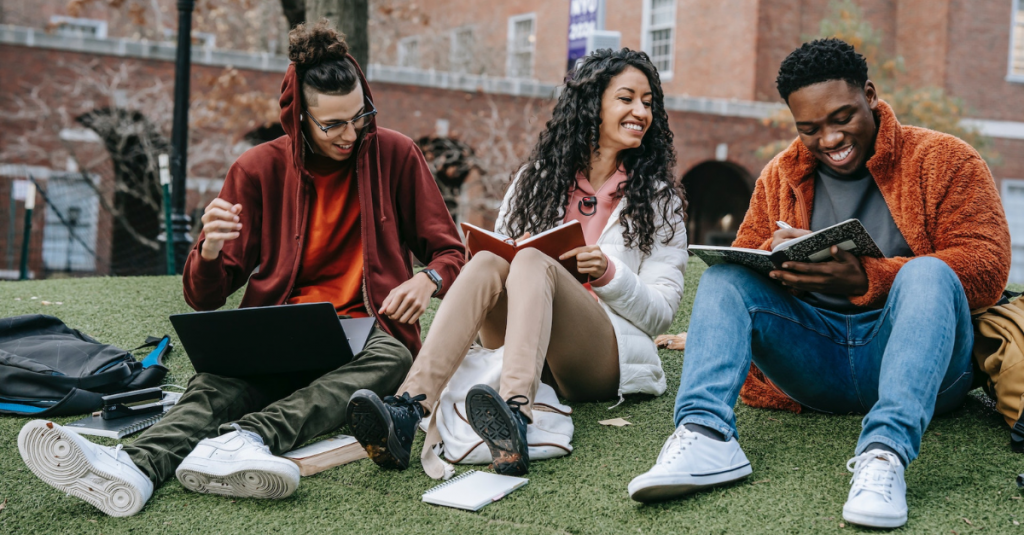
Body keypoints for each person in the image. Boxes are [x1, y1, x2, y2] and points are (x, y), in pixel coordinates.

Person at [16, 20, 465, 517]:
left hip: (366, 325)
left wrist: (429, 277)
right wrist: (208, 251)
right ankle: (134, 468)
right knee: (216, 382)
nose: (351, 133)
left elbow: (452, 253)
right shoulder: (256, 169)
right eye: (332, 124)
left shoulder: (396, 155)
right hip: (280, 323)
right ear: (299, 118)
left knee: (395, 360)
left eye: (360, 116)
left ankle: (248, 438)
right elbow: (204, 297)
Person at [628, 38, 1011, 529]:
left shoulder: (946, 160)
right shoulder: (781, 174)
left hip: (921, 368)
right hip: (815, 364)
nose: (828, 140)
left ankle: (883, 455)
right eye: (809, 128)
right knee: (725, 277)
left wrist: (869, 278)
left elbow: (988, 266)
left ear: (869, 94)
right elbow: (748, 261)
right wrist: (780, 266)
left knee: (929, 271)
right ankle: (705, 436)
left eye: (841, 118)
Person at [345, 48, 688, 477]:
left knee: (532, 263)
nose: (641, 111)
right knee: (492, 259)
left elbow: (660, 313)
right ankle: (408, 409)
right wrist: (513, 249)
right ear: (592, 105)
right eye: (627, 98)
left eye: (648, 102)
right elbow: (501, 263)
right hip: (520, 341)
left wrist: (608, 274)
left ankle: (515, 415)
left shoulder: (658, 199)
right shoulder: (536, 179)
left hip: (599, 357)